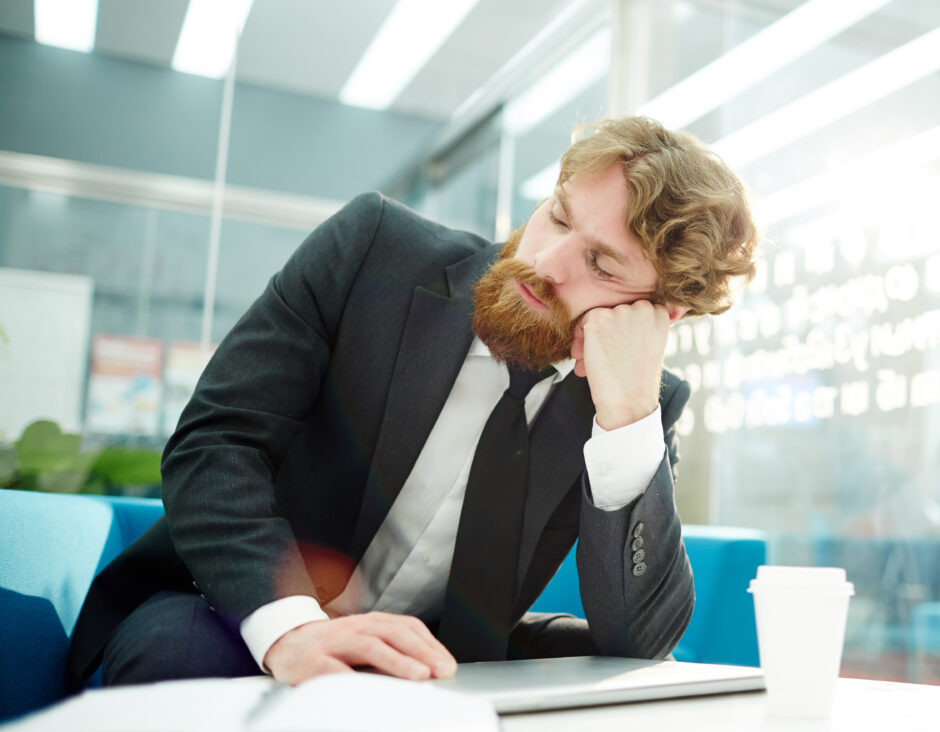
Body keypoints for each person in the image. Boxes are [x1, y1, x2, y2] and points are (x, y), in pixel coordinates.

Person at [64, 117, 759, 690]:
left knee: (648, 696)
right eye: (556, 216)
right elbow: (215, 443)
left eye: (602, 266)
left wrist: (627, 416)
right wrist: (297, 631)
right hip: (237, 607)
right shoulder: (375, 251)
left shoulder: (640, 404)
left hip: (439, 659)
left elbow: (641, 640)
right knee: (180, 664)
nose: (545, 262)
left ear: (659, 314)